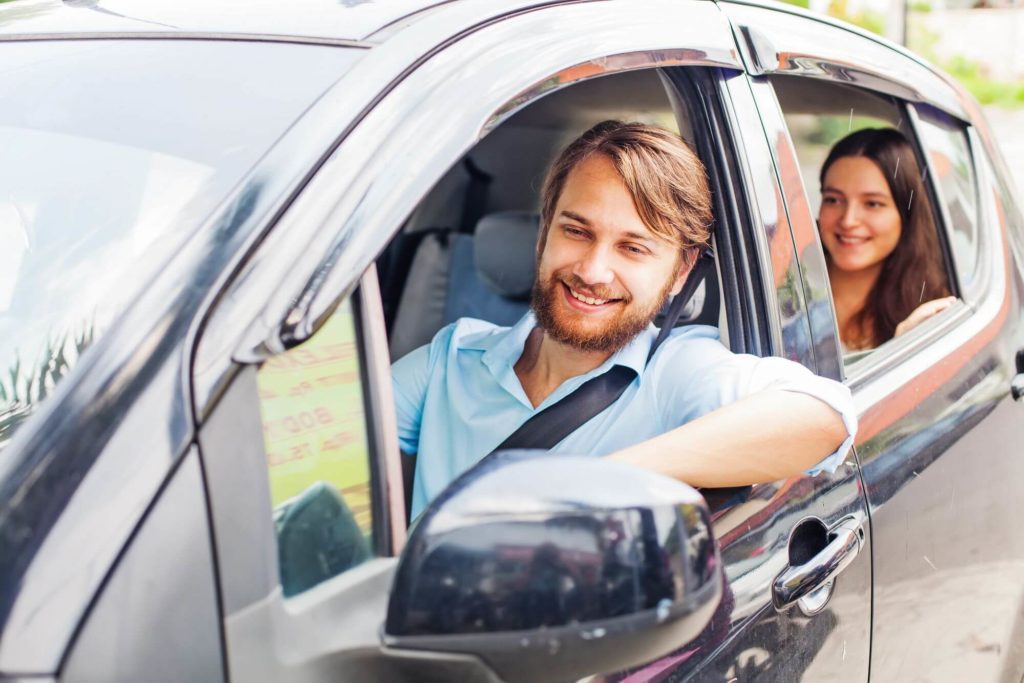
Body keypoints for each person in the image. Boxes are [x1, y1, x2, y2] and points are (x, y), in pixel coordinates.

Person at [393, 120, 857, 518]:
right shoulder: (452, 357)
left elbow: (824, 417)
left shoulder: (676, 372)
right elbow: (330, 437)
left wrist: (604, 479)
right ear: (543, 234)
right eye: (576, 231)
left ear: (679, 271)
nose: (592, 271)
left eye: (633, 248)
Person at [818, 128, 954, 351]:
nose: (848, 220)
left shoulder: (930, 305)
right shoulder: (784, 279)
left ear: (906, 215)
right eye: (833, 200)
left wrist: (904, 345)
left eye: (872, 203)